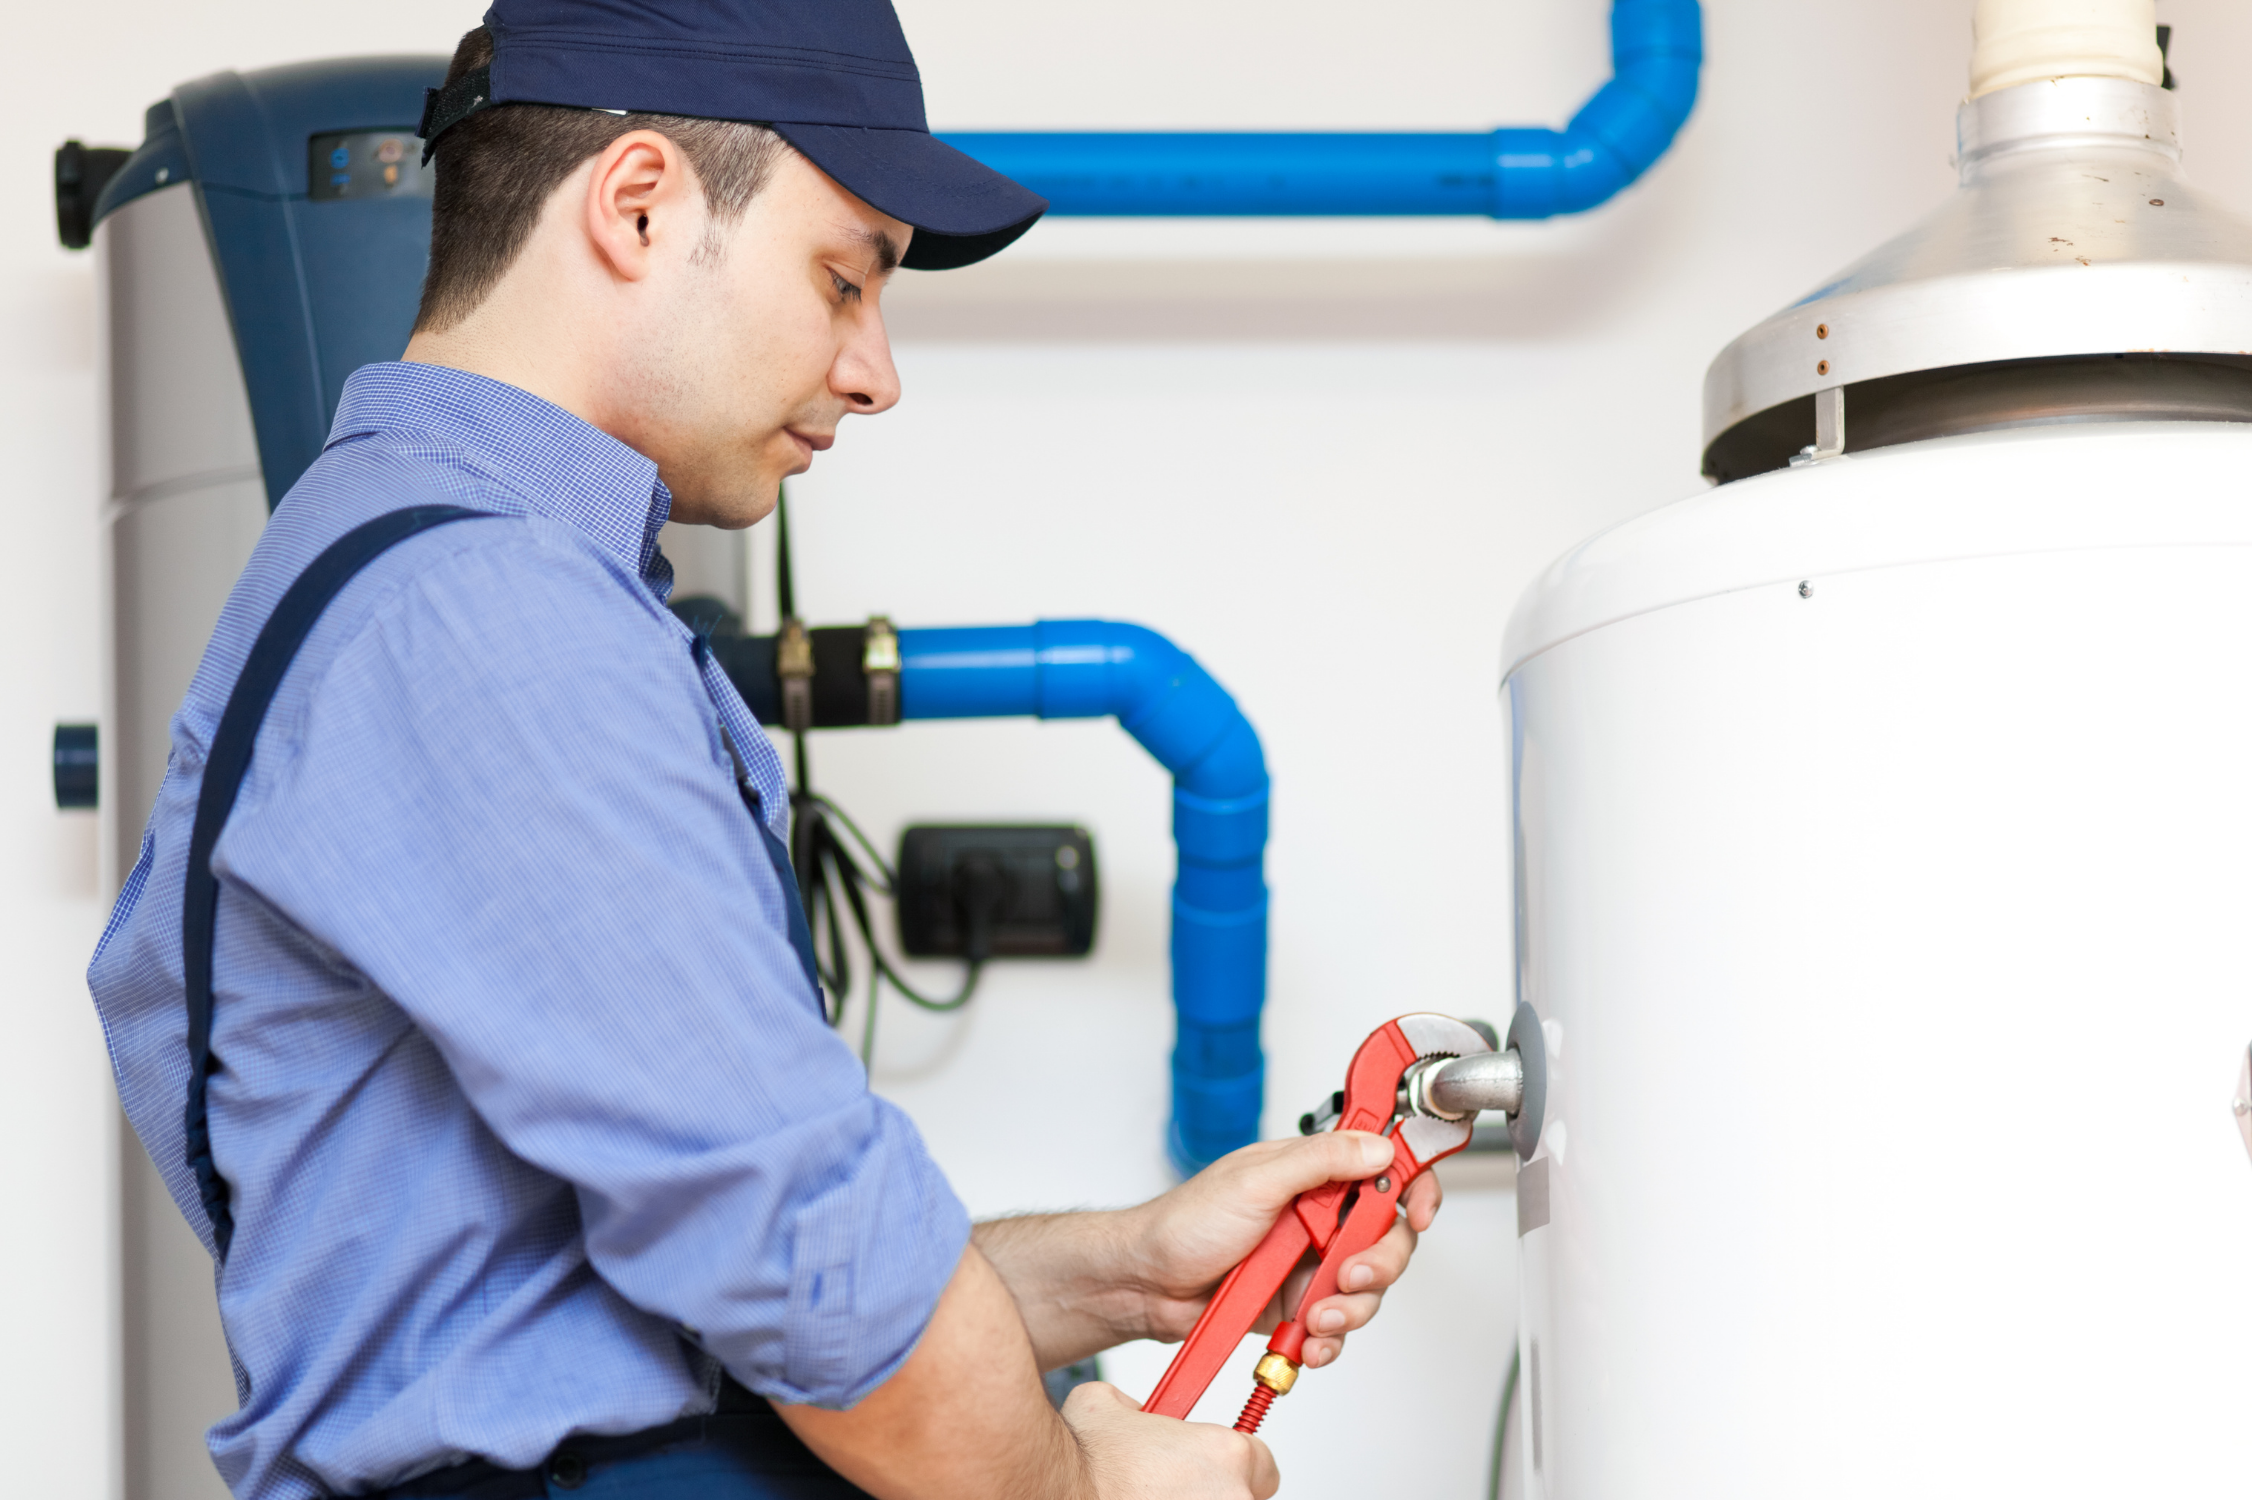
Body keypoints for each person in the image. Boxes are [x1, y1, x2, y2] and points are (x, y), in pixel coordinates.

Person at [88, 4, 1443, 1497]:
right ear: (641, 205)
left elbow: (599, 1304)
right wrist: (1076, 1489)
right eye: (841, 276)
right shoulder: (486, 614)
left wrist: (1119, 1273)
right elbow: (798, 1243)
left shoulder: (414, 580)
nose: (875, 372)